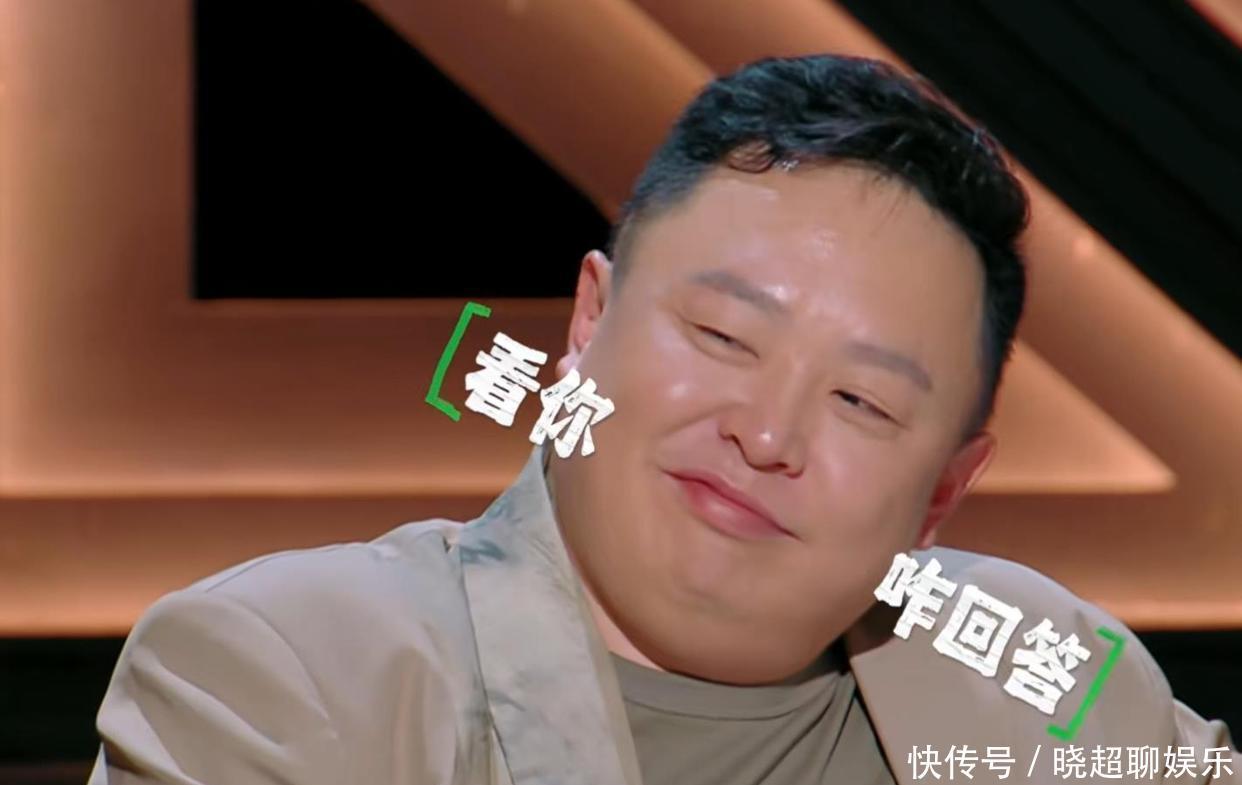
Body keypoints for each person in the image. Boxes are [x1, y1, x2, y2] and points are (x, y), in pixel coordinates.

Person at [88, 54, 1239, 785]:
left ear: (945, 487)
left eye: (862, 399)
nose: (767, 433)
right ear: (588, 323)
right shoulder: (293, 670)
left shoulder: (1053, 686)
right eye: (723, 336)